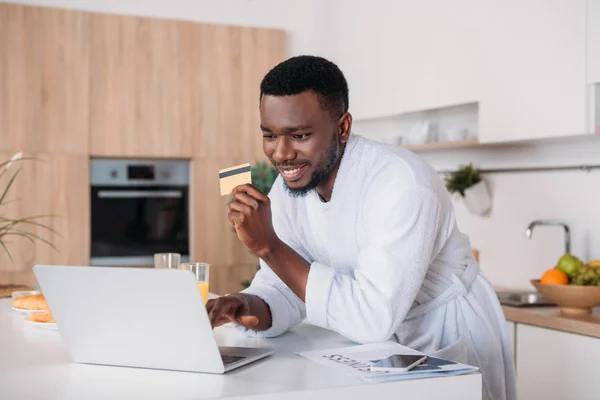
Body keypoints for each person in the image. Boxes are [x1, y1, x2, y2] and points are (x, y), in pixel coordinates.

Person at [206, 55, 516, 400]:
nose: (281, 154)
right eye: (269, 135)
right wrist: (244, 306)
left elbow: (371, 318)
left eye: (300, 135)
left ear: (342, 126)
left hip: (445, 335)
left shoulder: (403, 183)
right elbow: (283, 290)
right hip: (371, 355)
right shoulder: (288, 189)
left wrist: (269, 247)